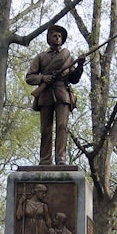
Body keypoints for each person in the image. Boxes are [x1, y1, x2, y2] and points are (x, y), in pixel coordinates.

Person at [26, 25, 84, 165]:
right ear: (49, 38)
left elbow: (73, 79)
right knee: (46, 128)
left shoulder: (67, 57)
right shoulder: (41, 57)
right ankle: (45, 160)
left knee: (62, 126)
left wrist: (80, 66)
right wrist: (43, 79)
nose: (58, 38)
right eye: (55, 35)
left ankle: (61, 158)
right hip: (45, 94)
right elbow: (29, 77)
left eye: (60, 36)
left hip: (62, 93)